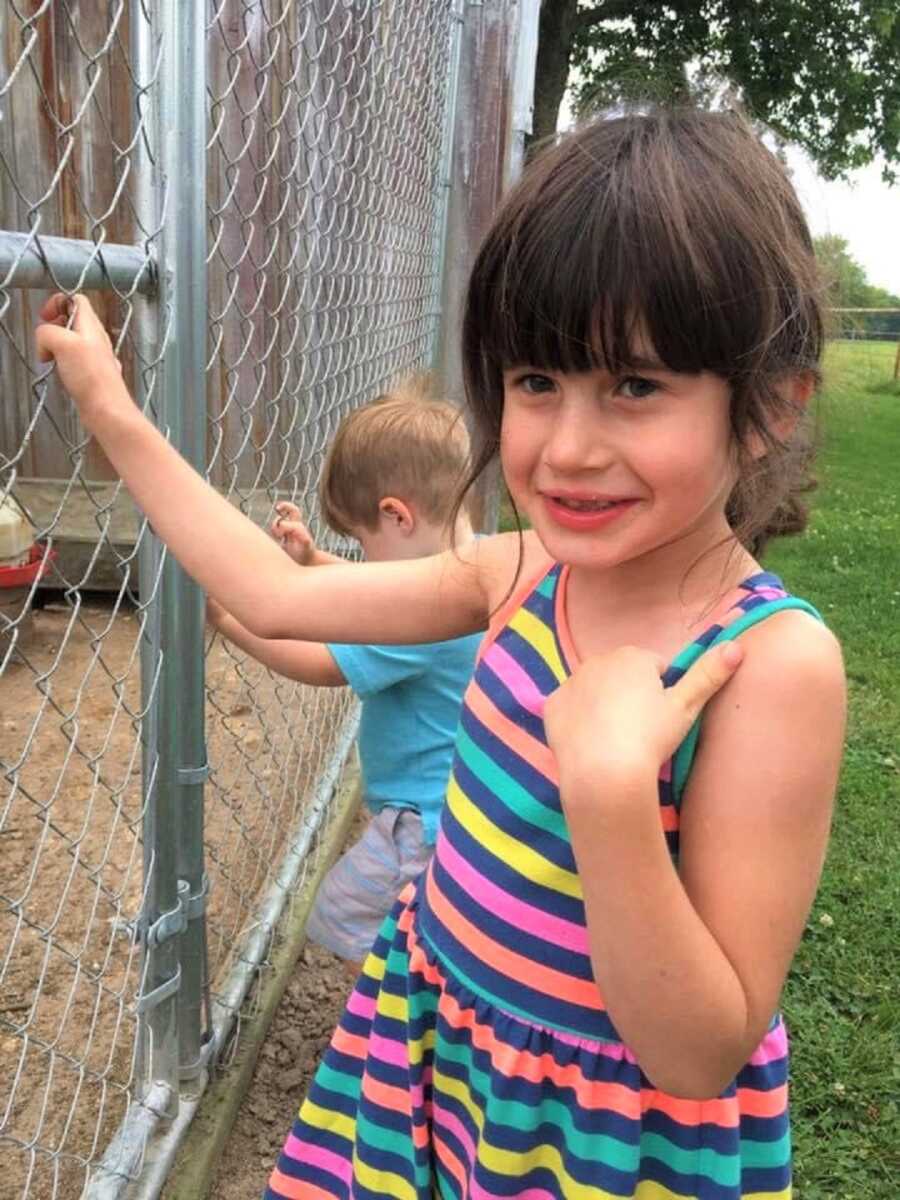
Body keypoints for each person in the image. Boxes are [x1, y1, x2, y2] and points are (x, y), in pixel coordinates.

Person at [34, 105, 846, 1200]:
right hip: (444, 1047)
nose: (567, 446)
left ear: (768, 409)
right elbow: (277, 591)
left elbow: (697, 1052)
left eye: (638, 386)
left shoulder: (770, 667)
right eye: (536, 382)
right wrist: (114, 412)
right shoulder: (517, 576)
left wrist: (609, 791)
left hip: (599, 1144)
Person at [207, 387, 483, 976]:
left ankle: (409, 1003)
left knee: (346, 914)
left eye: (361, 541)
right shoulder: (473, 566)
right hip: (459, 807)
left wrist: (228, 618)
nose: (360, 553)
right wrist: (313, 563)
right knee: (424, 926)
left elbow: (322, 665)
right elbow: (381, 586)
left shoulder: (422, 620)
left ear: (396, 515)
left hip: (423, 826)